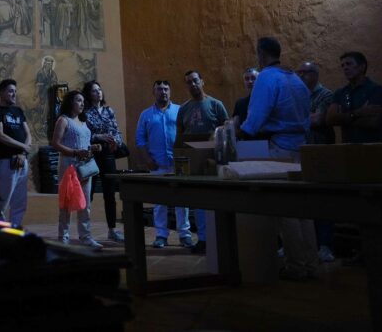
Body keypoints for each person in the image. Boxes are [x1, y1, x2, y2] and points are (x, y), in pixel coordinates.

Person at [240, 36, 317, 281]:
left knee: (287, 210)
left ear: (261, 54)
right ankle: (311, 263)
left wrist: (238, 133)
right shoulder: (295, 79)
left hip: (281, 148)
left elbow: (255, 119)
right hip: (303, 149)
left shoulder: (267, 78)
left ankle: (295, 265)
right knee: (305, 209)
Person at [135, 80, 192, 249]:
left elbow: (187, 134)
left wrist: (186, 157)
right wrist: (147, 159)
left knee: (183, 201)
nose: (163, 92)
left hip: (179, 164)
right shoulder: (146, 115)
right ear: (154, 92)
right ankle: (161, 235)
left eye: (166, 89)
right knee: (160, 202)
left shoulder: (180, 111)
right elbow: (140, 139)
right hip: (157, 164)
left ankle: (185, 235)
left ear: (170, 91)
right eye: (159, 89)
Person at [178, 70, 228, 253]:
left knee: (216, 199)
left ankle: (220, 237)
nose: (193, 85)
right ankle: (204, 239)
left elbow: (226, 128)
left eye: (195, 81)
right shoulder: (184, 109)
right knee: (198, 201)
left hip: (214, 160)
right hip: (194, 161)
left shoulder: (216, 105)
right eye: (189, 82)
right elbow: (180, 135)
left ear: (202, 81)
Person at [52, 89, 103, 249]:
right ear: (70, 102)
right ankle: (64, 237)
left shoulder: (83, 122)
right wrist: (75, 152)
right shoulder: (64, 120)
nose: (82, 103)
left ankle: (86, 236)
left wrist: (92, 147)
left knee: (85, 203)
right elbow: (55, 143)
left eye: (83, 101)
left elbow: (84, 144)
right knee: (66, 203)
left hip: (85, 167)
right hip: (69, 166)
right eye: (78, 100)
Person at [296, 61, 336, 263]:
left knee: (323, 200)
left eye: (305, 72)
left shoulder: (326, 95)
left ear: (315, 75)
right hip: (301, 152)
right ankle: (304, 244)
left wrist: (296, 120)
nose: (301, 76)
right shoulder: (298, 96)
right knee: (303, 200)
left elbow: (319, 120)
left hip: (321, 152)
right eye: (299, 72)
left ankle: (325, 245)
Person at [82, 80, 125, 242]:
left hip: (108, 154)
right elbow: (84, 135)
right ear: (88, 94)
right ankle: (85, 231)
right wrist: (99, 137)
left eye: (100, 90)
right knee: (89, 193)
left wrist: (117, 141)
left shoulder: (109, 110)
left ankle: (112, 230)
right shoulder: (84, 112)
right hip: (91, 154)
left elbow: (116, 130)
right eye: (94, 90)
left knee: (110, 193)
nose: (98, 92)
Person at [0, 79, 32, 227]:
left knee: (20, 202)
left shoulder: (18, 111)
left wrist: (23, 153)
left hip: (22, 160)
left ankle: (15, 231)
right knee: (2, 202)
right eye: (10, 91)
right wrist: (23, 148)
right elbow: (0, 136)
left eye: (15, 92)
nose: (14, 94)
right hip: (6, 161)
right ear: (1, 93)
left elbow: (28, 134)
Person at [325, 51, 382, 143]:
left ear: (362, 67)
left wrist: (343, 119)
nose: (345, 68)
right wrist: (358, 113)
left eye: (349, 64)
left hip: (373, 148)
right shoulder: (340, 92)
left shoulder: (375, 90)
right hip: (348, 149)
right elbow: (330, 119)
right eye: (342, 65)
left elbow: (373, 122)